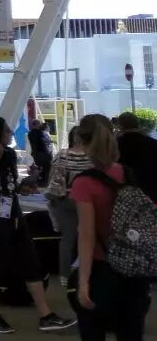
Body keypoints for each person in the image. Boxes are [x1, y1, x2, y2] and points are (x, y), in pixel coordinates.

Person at [0, 116, 75, 334]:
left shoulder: (9, 154)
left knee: (31, 263)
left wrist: (25, 185)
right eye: (6, 130)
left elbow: (8, 185)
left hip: (15, 216)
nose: (10, 133)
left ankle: (45, 315)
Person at [70, 113, 150, 340]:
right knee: (131, 332)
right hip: (133, 268)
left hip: (101, 269)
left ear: (82, 141)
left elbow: (87, 236)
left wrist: (83, 282)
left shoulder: (84, 183)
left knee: (93, 331)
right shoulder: (127, 173)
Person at [44, 127, 91, 287]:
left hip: (64, 199)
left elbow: (53, 179)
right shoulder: (92, 157)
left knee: (67, 238)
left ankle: (64, 275)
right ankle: (86, 272)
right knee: (88, 237)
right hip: (86, 201)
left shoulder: (62, 154)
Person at [115, 111, 157, 202]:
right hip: (152, 187)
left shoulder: (116, 144)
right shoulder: (153, 142)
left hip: (126, 191)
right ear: (137, 123)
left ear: (120, 126)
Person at [28, 119, 54, 187]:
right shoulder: (40, 133)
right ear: (36, 125)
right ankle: (45, 182)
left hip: (35, 154)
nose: (41, 125)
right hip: (43, 154)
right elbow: (44, 141)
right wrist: (50, 141)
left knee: (40, 168)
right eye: (39, 124)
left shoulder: (30, 133)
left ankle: (40, 182)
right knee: (47, 168)